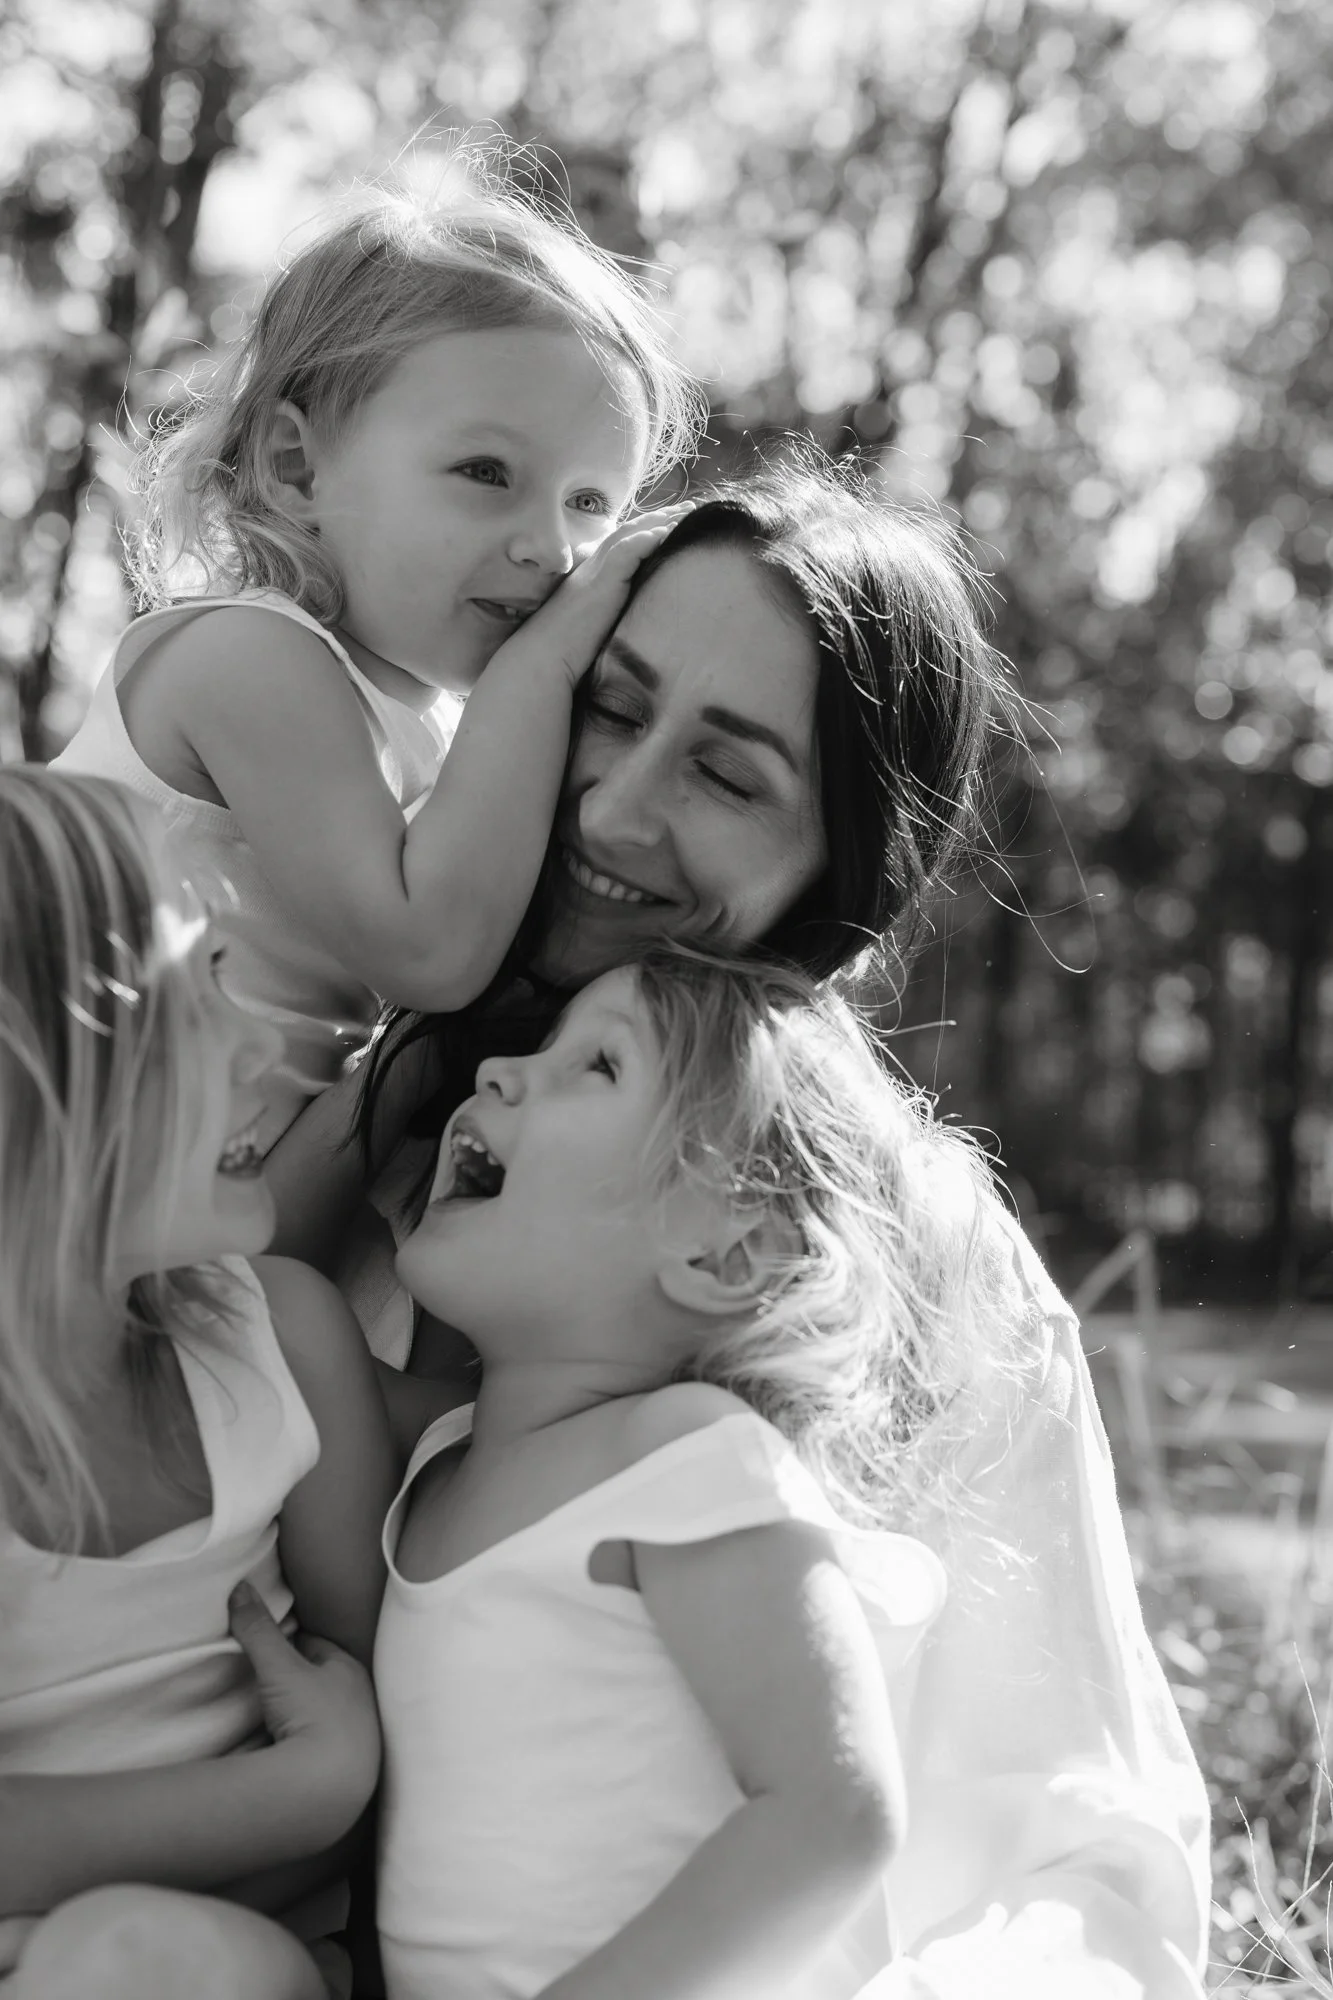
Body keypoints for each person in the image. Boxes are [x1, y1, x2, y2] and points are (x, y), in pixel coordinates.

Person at [268, 457, 1211, 1998]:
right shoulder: (323, 1079)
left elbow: (1089, 1862)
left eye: (727, 774)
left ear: (832, 881)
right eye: (606, 703)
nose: (615, 807)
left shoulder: (916, 1268)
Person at [374, 945, 1031, 1998]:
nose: (500, 1069)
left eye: (597, 1065)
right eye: (540, 1045)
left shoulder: (682, 1454)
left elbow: (833, 1811)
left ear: (722, 1253)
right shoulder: (439, 1458)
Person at [52, 148, 702, 1150]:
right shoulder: (250, 659)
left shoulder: (440, 723)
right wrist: (536, 670)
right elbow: (427, 952)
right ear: (295, 466)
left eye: (589, 502)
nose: (552, 546)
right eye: (486, 470)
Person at [0, 768, 397, 2000]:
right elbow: (336, 1771)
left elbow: (395, 1721)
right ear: (40, 1091)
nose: (259, 1037)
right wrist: (286, 1791)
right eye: (201, 988)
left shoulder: (280, 1346)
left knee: (127, 1958)